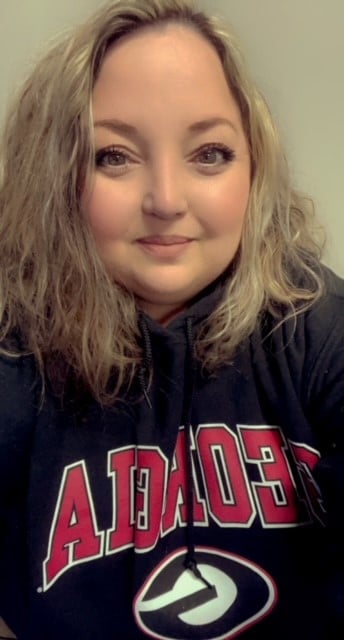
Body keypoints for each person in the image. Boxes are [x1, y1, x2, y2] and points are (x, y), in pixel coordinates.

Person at [0, 0, 343, 638]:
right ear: (54, 178)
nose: (166, 200)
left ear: (254, 170)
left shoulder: (314, 327)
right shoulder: (15, 353)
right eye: (114, 157)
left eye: (209, 153)